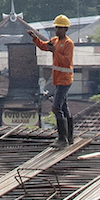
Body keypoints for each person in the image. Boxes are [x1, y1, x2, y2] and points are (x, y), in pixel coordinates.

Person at [29, 14, 77, 145]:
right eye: (56, 28)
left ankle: (62, 139)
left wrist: (55, 51)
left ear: (66, 29)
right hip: (57, 79)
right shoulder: (55, 40)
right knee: (64, 108)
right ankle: (70, 137)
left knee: (56, 108)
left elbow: (67, 61)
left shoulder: (68, 43)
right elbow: (45, 46)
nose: (57, 30)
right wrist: (35, 39)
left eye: (60, 28)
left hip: (65, 80)